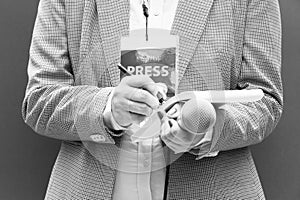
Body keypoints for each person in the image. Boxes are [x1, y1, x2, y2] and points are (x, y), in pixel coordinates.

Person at [22, 0, 283, 199]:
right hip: (89, 185)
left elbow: (265, 100)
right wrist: (108, 106)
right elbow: (40, 100)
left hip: (212, 186)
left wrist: (204, 127)